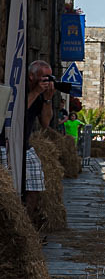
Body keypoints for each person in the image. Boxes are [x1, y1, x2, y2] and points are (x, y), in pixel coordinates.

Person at [24, 61, 55, 225]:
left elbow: (45, 123)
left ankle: (26, 222)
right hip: (6, 143)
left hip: (26, 145)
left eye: (49, 77)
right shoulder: (19, 89)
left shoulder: (41, 96)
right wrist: (35, 92)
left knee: (36, 184)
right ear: (31, 76)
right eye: (44, 77)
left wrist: (48, 99)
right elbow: (15, 114)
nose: (47, 81)